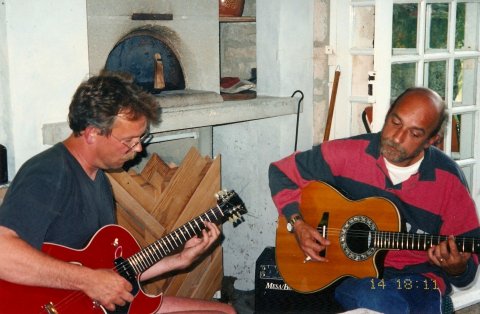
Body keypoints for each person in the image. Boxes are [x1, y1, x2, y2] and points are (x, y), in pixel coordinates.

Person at [0, 72, 236, 314]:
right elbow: (3, 253)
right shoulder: (48, 172)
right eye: (129, 140)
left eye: (141, 137)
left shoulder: (98, 178)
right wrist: (87, 280)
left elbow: (113, 274)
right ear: (92, 133)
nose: (139, 147)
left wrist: (178, 261)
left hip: (99, 306)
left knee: (225, 312)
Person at [269, 87, 479, 313]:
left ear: (432, 140)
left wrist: (457, 268)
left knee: (408, 303)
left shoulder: (448, 181)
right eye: (395, 122)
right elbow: (281, 172)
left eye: (414, 133)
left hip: (418, 279)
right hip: (355, 277)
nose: (396, 138)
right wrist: (297, 224)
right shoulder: (348, 153)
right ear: (388, 114)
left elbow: (465, 273)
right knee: (384, 301)